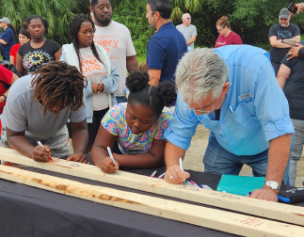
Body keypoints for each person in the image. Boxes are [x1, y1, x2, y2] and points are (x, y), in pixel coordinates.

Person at [164, 45, 294, 202]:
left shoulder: (255, 68)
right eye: (192, 107)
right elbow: (178, 133)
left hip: (266, 146)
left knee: (273, 199)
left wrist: (271, 187)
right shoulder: (188, 85)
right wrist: (173, 167)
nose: (197, 114)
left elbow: (279, 129)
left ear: (224, 88)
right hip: (223, 143)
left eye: (204, 107)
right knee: (212, 196)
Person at [0, 61, 89, 163]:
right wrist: (31, 151)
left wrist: (78, 153)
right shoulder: (20, 93)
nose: (56, 109)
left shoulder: (74, 93)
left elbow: (80, 128)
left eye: (63, 105)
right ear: (41, 90)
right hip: (20, 136)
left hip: (55, 136)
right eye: (52, 103)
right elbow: (13, 135)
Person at [91, 71, 177, 173]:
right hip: (117, 164)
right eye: (132, 117)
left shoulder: (165, 120)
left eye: (145, 121)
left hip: (150, 169)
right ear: (127, 107)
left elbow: (156, 158)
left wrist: (117, 158)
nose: (136, 124)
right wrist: (103, 161)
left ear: (158, 116)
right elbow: (99, 147)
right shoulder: (115, 114)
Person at [61, 14, 119, 149]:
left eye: (91, 31)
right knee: (87, 150)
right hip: (84, 116)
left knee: (107, 148)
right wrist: (88, 87)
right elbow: (65, 84)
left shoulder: (100, 51)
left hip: (106, 110)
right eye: (84, 32)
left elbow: (115, 75)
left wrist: (104, 85)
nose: (89, 35)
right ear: (76, 33)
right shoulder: (68, 55)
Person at [89, 0, 138, 103]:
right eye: (101, 7)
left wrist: (136, 86)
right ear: (92, 9)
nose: (106, 10)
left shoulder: (122, 30)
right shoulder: (87, 32)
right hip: (95, 95)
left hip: (120, 94)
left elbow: (131, 60)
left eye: (108, 6)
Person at [146, 0, 187, 86]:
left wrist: (147, 99)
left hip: (162, 98)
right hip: (179, 96)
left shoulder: (157, 40)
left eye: (148, 12)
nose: (146, 16)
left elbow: (154, 79)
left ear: (156, 15)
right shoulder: (180, 36)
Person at [277, 55, 304, 186]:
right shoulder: (297, 49)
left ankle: (288, 191)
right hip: (294, 109)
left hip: (294, 108)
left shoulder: (296, 49)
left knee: (291, 157)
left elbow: (282, 75)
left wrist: (276, 101)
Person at [268, 8, 300, 76]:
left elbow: (297, 41)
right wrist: (291, 43)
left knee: (289, 84)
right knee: (277, 83)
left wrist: (281, 41)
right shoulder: (273, 28)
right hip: (276, 62)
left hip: (290, 62)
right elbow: (273, 43)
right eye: (281, 19)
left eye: (285, 19)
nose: (283, 21)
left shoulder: (295, 28)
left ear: (289, 17)